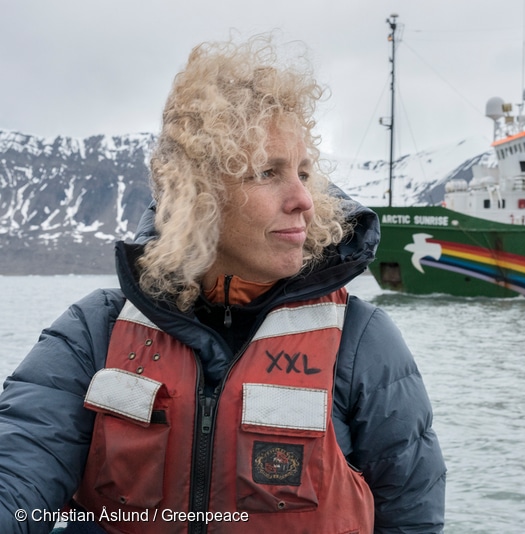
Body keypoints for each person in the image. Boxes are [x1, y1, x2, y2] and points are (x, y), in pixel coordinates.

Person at [0, 34, 445, 534]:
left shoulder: (363, 344)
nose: (303, 199)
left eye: (303, 171)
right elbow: (18, 477)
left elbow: (412, 517)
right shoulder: (95, 331)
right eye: (267, 172)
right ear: (199, 194)